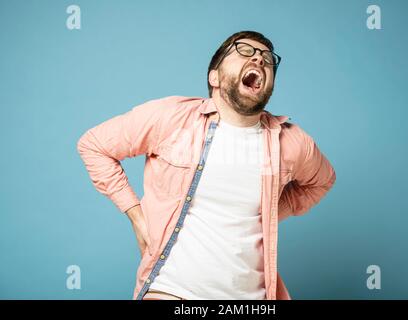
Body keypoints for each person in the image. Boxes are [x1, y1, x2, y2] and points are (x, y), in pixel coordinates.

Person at [77, 30, 336, 300]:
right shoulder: (172, 118)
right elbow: (93, 145)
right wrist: (137, 217)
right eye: (245, 51)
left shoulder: (292, 143)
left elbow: (323, 180)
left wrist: (270, 210)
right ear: (215, 76)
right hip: (171, 290)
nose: (259, 60)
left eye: (267, 59)